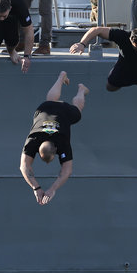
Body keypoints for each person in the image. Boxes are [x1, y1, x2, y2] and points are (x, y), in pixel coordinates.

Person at [20, 71, 89, 205]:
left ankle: (81, 89)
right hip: (45, 108)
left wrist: (51, 189)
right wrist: (39, 188)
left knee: (78, 108)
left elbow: (25, 166)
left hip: (63, 112)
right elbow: (24, 167)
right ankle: (62, 77)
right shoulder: (34, 139)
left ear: (56, 149)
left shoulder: (56, 141)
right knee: (50, 100)